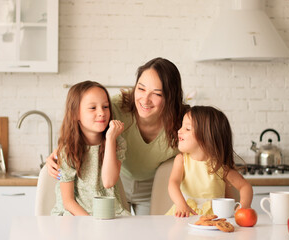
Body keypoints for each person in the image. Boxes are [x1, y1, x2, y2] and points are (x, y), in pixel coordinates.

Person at [47, 57, 189, 215]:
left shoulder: (185, 124)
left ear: (171, 97)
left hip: (153, 187)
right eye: (141, 89)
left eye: (156, 94)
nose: (145, 100)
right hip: (116, 186)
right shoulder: (114, 107)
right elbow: (82, 121)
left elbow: (206, 149)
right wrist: (58, 153)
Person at [50, 81, 130, 216]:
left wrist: (110, 139)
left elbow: (108, 182)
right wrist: (89, 223)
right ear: (75, 114)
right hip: (75, 214)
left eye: (105, 106)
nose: (102, 113)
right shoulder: (68, 150)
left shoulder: (117, 143)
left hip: (108, 212)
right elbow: (68, 202)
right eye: (93, 108)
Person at [166, 106, 253, 217]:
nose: (179, 131)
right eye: (182, 126)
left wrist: (243, 207)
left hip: (215, 218)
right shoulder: (182, 160)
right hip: (186, 215)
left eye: (187, 128)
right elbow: (172, 184)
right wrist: (181, 204)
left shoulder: (220, 166)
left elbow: (245, 187)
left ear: (206, 138)